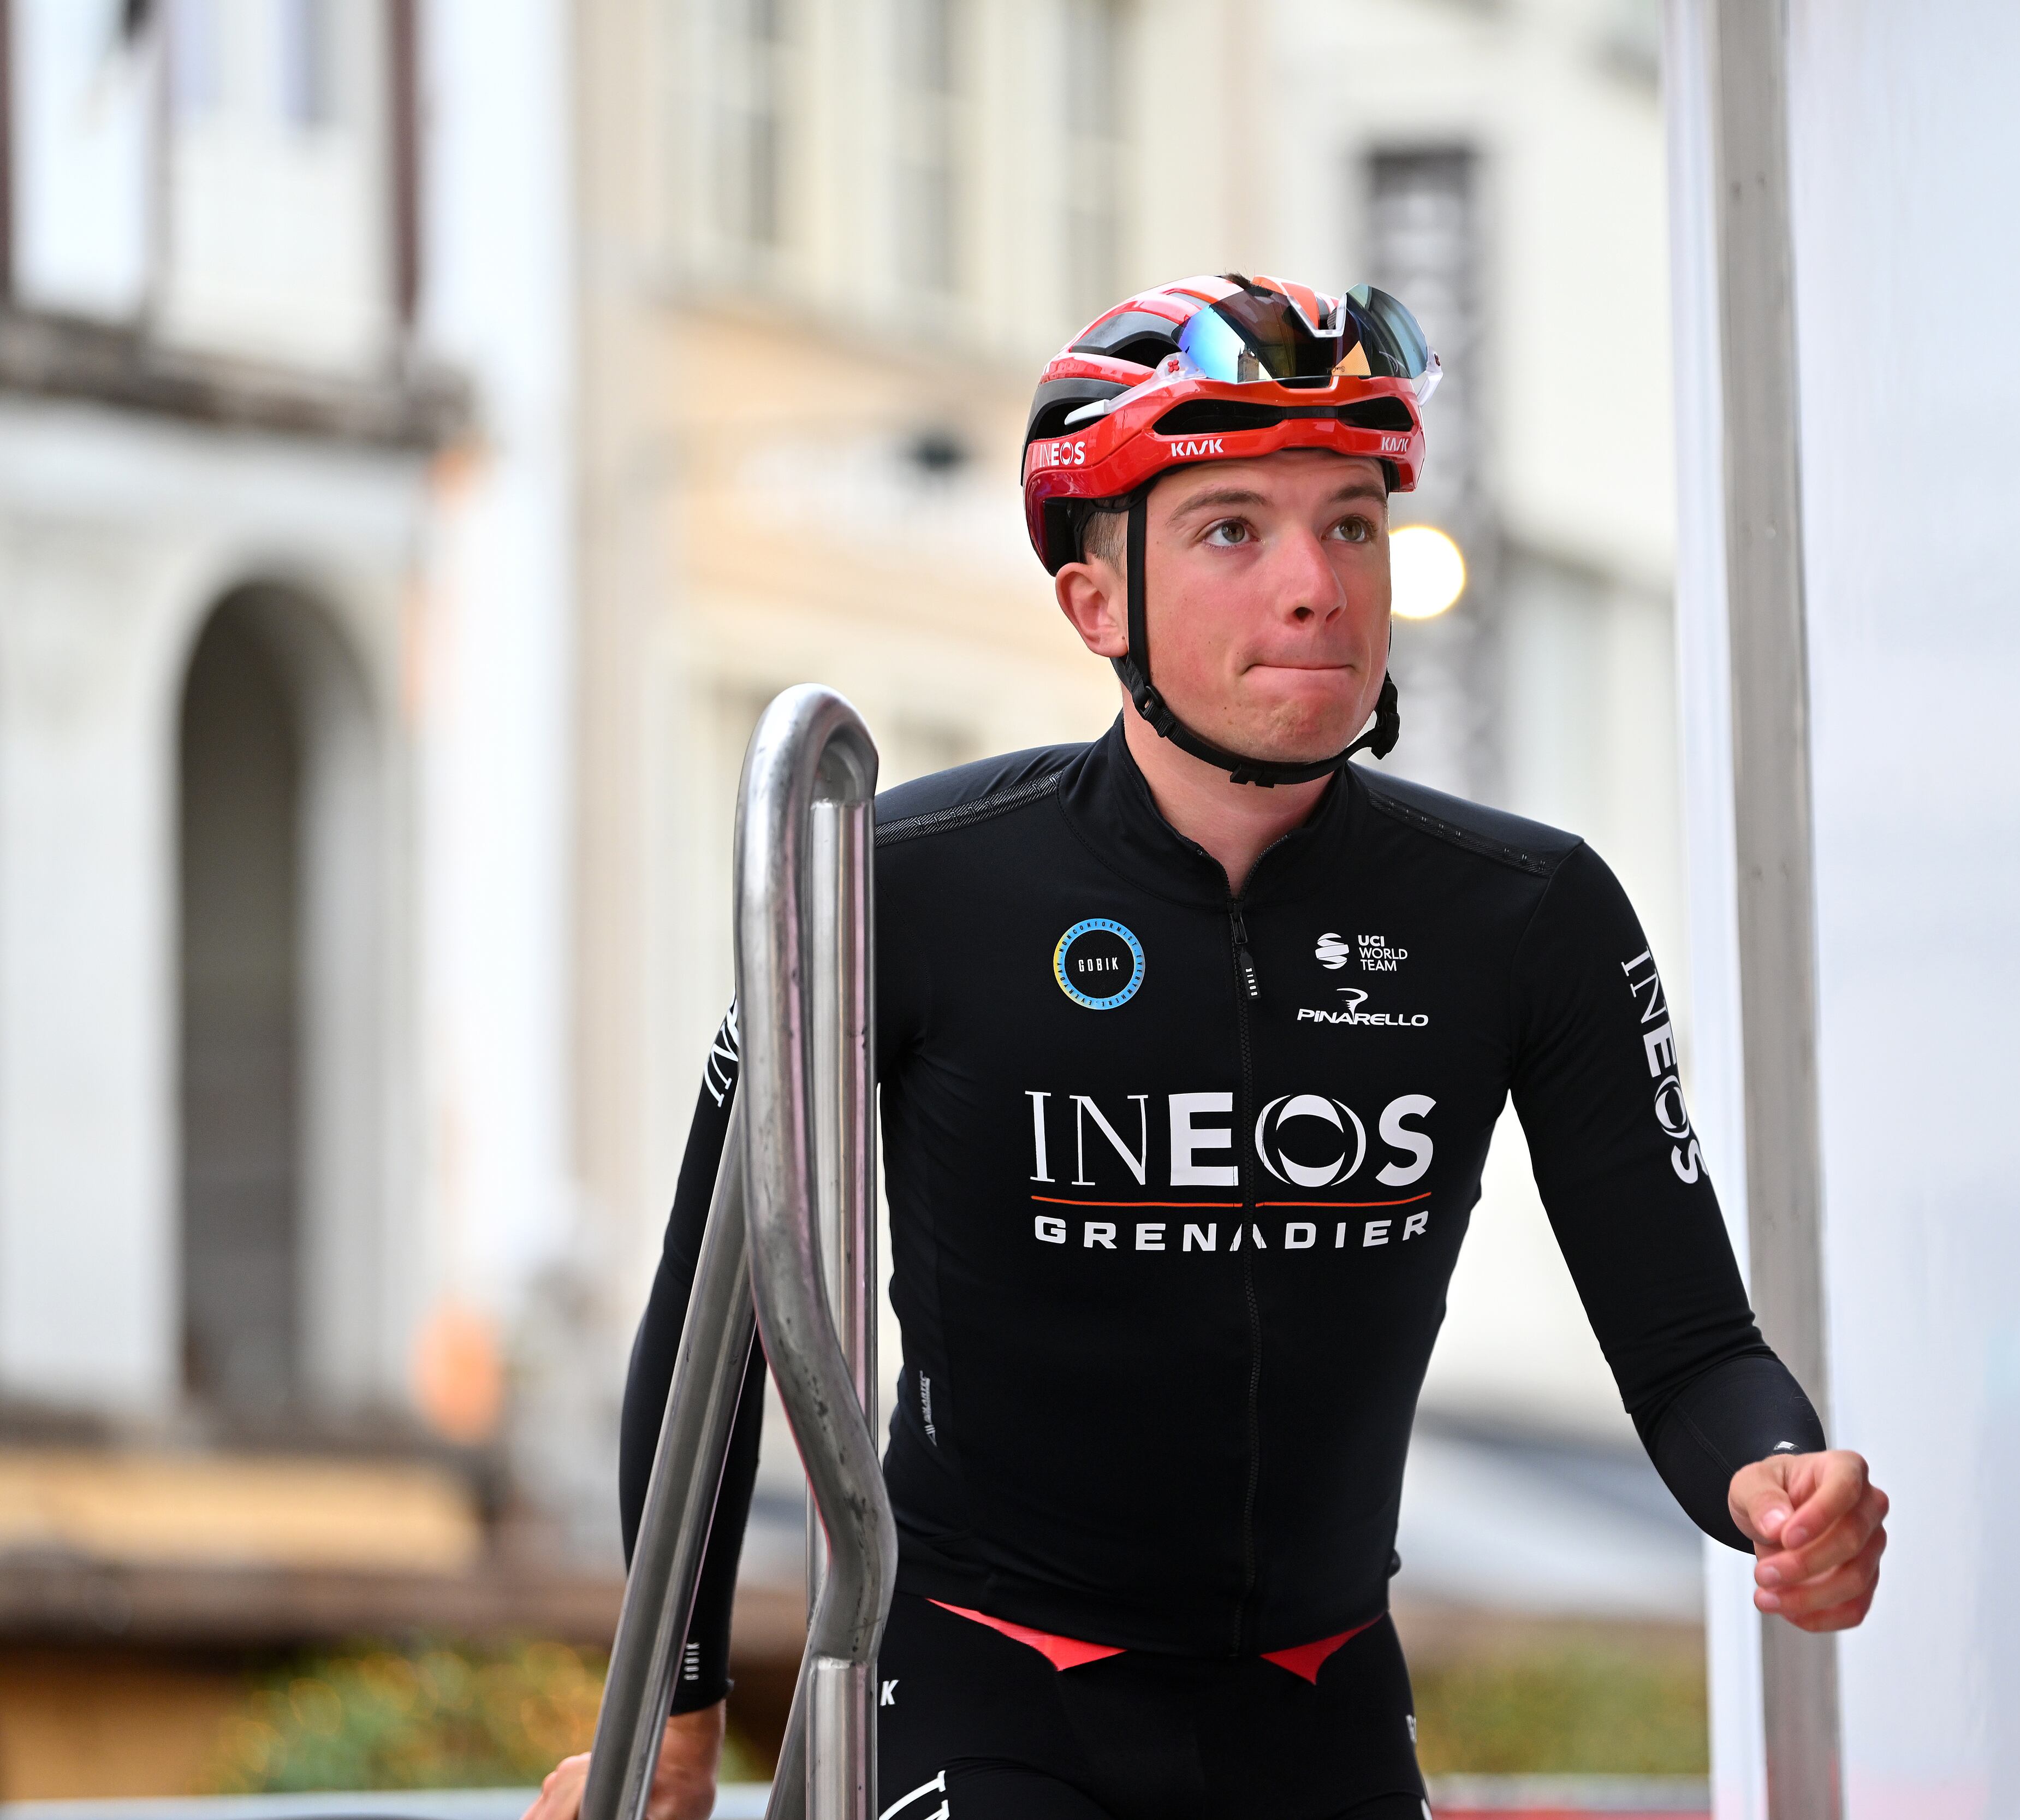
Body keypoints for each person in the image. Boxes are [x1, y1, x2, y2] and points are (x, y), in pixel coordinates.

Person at [527, 275, 1887, 1820]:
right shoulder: (894, 884)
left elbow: (1695, 1349)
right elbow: (712, 1331)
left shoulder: (1526, 914)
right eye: (1232, 529)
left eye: (1352, 524)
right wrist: (674, 1723)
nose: (1315, 586)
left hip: (1320, 1698)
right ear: (1095, 605)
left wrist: (1780, 1481)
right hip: (989, 1687)